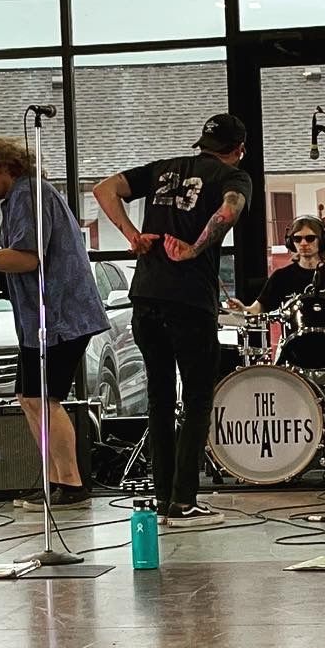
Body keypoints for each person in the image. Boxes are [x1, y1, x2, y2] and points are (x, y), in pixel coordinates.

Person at [93, 113, 252, 527]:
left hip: (146, 297)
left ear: (202, 144)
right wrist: (196, 249)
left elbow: (103, 188)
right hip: (189, 301)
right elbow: (229, 211)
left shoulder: (163, 169)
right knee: (197, 399)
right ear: (238, 150)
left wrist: (132, 235)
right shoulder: (233, 176)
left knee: (159, 399)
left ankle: (163, 498)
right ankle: (184, 502)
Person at [0, 136, 108, 511]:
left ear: (3, 165)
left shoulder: (29, 194)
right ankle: (56, 481)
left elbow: (28, 258)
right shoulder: (22, 197)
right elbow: (12, 263)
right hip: (44, 319)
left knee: (42, 399)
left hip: (60, 316)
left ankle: (71, 483)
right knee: (31, 398)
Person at [228, 214, 325, 335]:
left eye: (310, 238)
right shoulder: (281, 277)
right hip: (293, 348)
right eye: (297, 239)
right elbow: (257, 310)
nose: (303, 243)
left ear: (323, 241)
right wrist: (242, 309)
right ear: (291, 243)